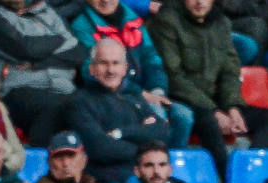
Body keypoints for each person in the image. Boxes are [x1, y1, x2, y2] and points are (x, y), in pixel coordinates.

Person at [146, 0, 268, 176]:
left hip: (214, 101)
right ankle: (227, 180)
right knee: (209, 122)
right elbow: (174, 77)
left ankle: (250, 175)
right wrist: (214, 111)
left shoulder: (222, 22)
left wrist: (233, 107)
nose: (200, 2)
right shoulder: (167, 21)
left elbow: (230, 71)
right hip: (182, 99)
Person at [70, 0, 195, 148]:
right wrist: (143, 94)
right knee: (157, 116)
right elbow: (92, 72)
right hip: (113, 95)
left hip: (146, 94)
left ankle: (169, 165)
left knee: (183, 116)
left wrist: (157, 91)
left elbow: (152, 59)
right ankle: (148, 165)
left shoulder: (132, 18)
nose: (105, 1)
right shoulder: (81, 25)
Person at [0, 0, 87, 145]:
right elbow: (26, 48)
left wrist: (38, 63)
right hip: (13, 91)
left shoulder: (46, 10)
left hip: (62, 87)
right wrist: (60, 38)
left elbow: (78, 53)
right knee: (54, 107)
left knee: (89, 104)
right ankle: (42, 161)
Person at [64, 39, 170, 183]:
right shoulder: (79, 102)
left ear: (125, 68)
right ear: (91, 68)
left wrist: (121, 133)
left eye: (116, 63)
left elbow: (163, 131)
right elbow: (100, 148)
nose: (110, 70)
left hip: (146, 181)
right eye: (103, 63)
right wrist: (146, 147)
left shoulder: (133, 96)